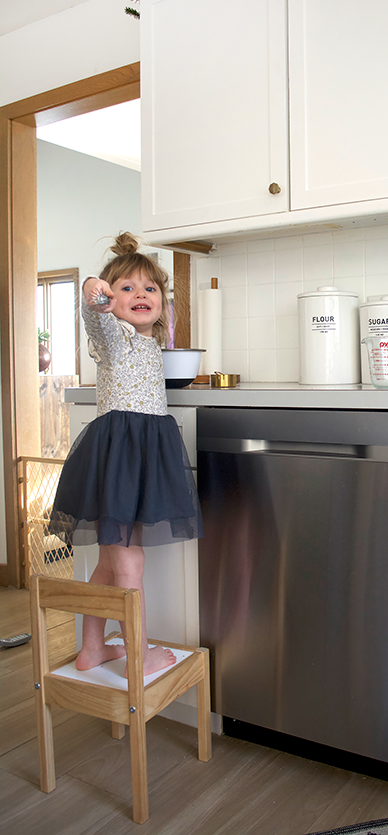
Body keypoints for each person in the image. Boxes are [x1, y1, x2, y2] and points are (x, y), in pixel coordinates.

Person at [50, 232, 203, 676]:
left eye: (150, 289)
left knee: (109, 560)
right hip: (119, 458)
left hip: (140, 458)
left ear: (163, 303)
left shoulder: (151, 343)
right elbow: (93, 314)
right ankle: (139, 657)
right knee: (129, 561)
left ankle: (93, 648)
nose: (140, 295)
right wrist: (92, 292)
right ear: (111, 301)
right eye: (127, 289)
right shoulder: (114, 337)